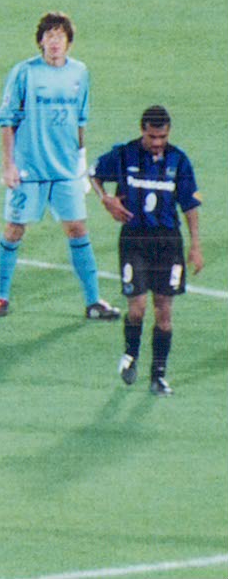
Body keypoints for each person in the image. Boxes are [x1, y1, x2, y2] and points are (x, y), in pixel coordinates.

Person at [0, 12, 119, 320]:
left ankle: (93, 301)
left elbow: (80, 120)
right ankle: (0, 296)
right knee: (14, 230)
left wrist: (82, 163)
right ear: (40, 41)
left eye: (60, 36)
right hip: (29, 170)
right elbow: (7, 121)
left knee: (77, 228)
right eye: (49, 35)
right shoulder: (24, 72)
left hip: (65, 171)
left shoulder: (80, 73)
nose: (54, 41)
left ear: (68, 42)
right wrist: (8, 166)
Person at [90, 106, 203, 395]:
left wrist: (195, 245)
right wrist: (106, 199)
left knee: (164, 312)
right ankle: (131, 355)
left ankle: (158, 375)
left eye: (162, 137)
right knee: (137, 309)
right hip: (134, 240)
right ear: (142, 130)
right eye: (152, 136)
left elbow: (190, 205)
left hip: (168, 243)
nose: (157, 143)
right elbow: (93, 173)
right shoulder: (124, 154)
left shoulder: (178, 160)